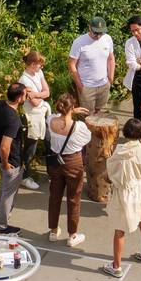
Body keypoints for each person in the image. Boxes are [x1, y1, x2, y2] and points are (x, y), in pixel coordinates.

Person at [101, 118, 141, 277]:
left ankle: (116, 266)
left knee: (120, 229)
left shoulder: (119, 151)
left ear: (125, 132)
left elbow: (111, 174)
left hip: (124, 192)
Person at [45, 92, 91, 248]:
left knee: (54, 196)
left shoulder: (51, 120)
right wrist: (74, 112)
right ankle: (72, 235)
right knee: (74, 199)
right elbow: (87, 140)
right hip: (73, 162)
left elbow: (57, 115)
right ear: (72, 107)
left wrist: (71, 110)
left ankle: (53, 230)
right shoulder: (79, 127)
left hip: (55, 162)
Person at [0, 82, 26, 234]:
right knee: (9, 194)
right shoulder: (13, 119)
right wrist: (7, 165)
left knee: (3, 188)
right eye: (25, 94)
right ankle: (2, 227)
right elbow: (4, 146)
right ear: (20, 98)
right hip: (10, 161)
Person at [18, 50, 51, 190]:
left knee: (50, 141)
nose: (41, 67)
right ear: (32, 64)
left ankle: (52, 172)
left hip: (43, 113)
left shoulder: (38, 73)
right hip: (31, 116)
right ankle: (24, 177)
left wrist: (37, 94)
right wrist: (39, 96)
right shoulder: (24, 80)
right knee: (31, 147)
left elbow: (47, 92)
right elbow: (35, 103)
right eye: (39, 65)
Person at [68, 16, 114, 114]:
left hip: (104, 85)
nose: (98, 36)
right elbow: (72, 64)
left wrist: (110, 78)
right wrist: (80, 86)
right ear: (89, 27)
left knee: (101, 116)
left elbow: (111, 59)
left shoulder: (107, 39)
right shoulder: (79, 42)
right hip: (87, 87)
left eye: (101, 33)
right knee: (86, 117)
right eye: (95, 32)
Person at [122, 16, 141, 116]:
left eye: (137, 30)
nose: (135, 33)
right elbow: (132, 63)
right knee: (138, 108)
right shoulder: (130, 43)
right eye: (133, 31)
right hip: (138, 78)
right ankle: (138, 130)